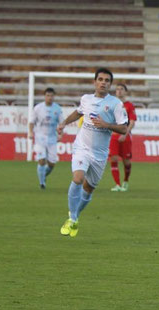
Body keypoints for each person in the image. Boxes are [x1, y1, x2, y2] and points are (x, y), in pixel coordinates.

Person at [56, 68, 128, 237]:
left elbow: (124, 128)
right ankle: (72, 218)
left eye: (107, 80)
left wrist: (106, 125)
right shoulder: (86, 99)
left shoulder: (116, 104)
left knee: (89, 188)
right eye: (100, 79)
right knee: (78, 178)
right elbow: (78, 112)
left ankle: (75, 217)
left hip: (100, 154)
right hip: (82, 148)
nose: (103, 82)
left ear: (110, 84)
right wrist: (64, 122)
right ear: (95, 82)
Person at [28, 87, 63, 189]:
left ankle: (43, 176)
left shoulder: (57, 108)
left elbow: (61, 123)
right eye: (48, 95)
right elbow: (31, 122)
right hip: (40, 138)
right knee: (42, 160)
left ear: (54, 96)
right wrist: (30, 132)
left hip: (52, 138)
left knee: (52, 164)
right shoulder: (38, 108)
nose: (50, 98)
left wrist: (60, 134)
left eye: (52, 96)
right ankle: (42, 183)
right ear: (45, 96)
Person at [109, 83, 137, 192]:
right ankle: (117, 184)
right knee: (113, 158)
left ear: (125, 92)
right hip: (114, 136)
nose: (119, 91)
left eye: (121, 89)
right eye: (117, 89)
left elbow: (132, 122)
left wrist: (125, 134)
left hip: (125, 136)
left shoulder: (129, 105)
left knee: (127, 162)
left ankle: (125, 181)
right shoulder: (111, 104)